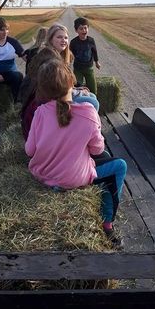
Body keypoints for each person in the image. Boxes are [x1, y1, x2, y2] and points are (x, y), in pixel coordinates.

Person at [25, 59, 127, 246]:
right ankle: (107, 224)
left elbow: (29, 150)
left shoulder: (40, 112)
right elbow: (98, 149)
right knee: (119, 166)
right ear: (72, 82)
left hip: (42, 174)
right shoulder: (88, 112)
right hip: (72, 179)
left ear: (43, 90)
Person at [20, 23, 99, 138]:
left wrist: (76, 89)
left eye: (66, 37)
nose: (64, 40)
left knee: (92, 96)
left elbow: (62, 84)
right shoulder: (50, 59)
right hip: (44, 99)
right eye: (59, 37)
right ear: (51, 39)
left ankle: (84, 130)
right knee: (92, 102)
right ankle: (81, 134)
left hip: (55, 95)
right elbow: (56, 90)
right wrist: (76, 92)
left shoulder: (56, 54)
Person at [69, 17, 100, 94]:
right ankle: (79, 104)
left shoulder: (91, 40)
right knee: (77, 87)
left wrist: (96, 62)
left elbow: (94, 51)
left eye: (85, 28)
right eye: (81, 29)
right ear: (76, 30)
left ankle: (93, 102)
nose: (84, 30)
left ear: (88, 28)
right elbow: (70, 54)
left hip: (89, 68)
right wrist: (68, 64)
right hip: (78, 69)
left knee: (93, 88)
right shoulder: (73, 42)